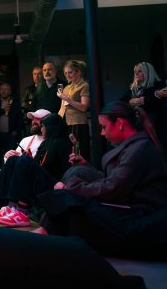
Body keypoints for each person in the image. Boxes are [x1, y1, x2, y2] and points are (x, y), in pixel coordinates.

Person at [36, 101, 167, 246]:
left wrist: (70, 189)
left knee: (66, 194)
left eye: (104, 127)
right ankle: (45, 225)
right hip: (127, 199)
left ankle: (45, 228)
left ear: (120, 123)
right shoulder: (135, 146)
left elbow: (113, 187)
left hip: (136, 210)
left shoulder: (139, 149)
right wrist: (86, 166)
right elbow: (116, 179)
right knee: (78, 171)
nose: (102, 133)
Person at [0, 113, 72, 227]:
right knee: (13, 160)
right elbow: (38, 164)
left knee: (23, 160)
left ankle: (19, 210)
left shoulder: (61, 143)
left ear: (50, 127)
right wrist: (29, 160)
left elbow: (63, 170)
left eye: (43, 126)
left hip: (52, 184)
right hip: (38, 179)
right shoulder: (45, 143)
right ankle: (4, 204)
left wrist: (28, 162)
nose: (41, 129)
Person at [58, 60, 90, 160]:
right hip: (67, 122)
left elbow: (84, 107)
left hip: (78, 123)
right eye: (65, 73)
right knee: (69, 151)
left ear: (78, 72)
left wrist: (68, 99)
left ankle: (83, 167)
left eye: (70, 72)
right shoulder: (66, 88)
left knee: (79, 150)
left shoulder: (84, 85)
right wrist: (57, 120)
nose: (67, 75)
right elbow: (62, 108)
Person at [0, 82, 22, 166]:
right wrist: (3, 110)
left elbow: (19, 118)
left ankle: (10, 171)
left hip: (11, 134)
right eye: (1, 89)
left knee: (10, 156)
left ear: (10, 91)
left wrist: (16, 131)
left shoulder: (15, 102)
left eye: (5, 89)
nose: (3, 91)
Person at [21, 66, 41, 133]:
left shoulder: (46, 88)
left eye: (39, 74)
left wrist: (31, 103)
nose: (36, 76)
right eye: (34, 74)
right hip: (31, 119)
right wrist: (32, 107)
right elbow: (23, 103)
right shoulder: (28, 89)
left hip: (43, 119)